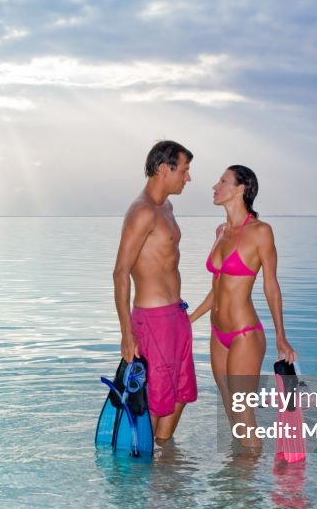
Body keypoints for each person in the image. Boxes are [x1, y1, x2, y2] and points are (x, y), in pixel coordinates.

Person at [189, 165, 297, 452]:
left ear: (240, 189)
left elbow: (271, 285)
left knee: (244, 416)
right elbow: (218, 288)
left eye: (222, 181)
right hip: (218, 335)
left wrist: (281, 336)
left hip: (244, 335)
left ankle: (248, 489)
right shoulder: (221, 231)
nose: (214, 186)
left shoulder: (261, 232)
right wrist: (190, 319)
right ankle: (238, 482)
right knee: (231, 416)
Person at [113, 140, 197, 446]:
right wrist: (126, 334)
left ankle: (162, 465)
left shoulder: (167, 207)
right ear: (165, 169)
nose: (188, 178)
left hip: (176, 316)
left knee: (181, 394)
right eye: (184, 171)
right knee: (151, 401)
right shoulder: (142, 212)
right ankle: (140, 474)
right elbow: (120, 272)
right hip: (153, 322)